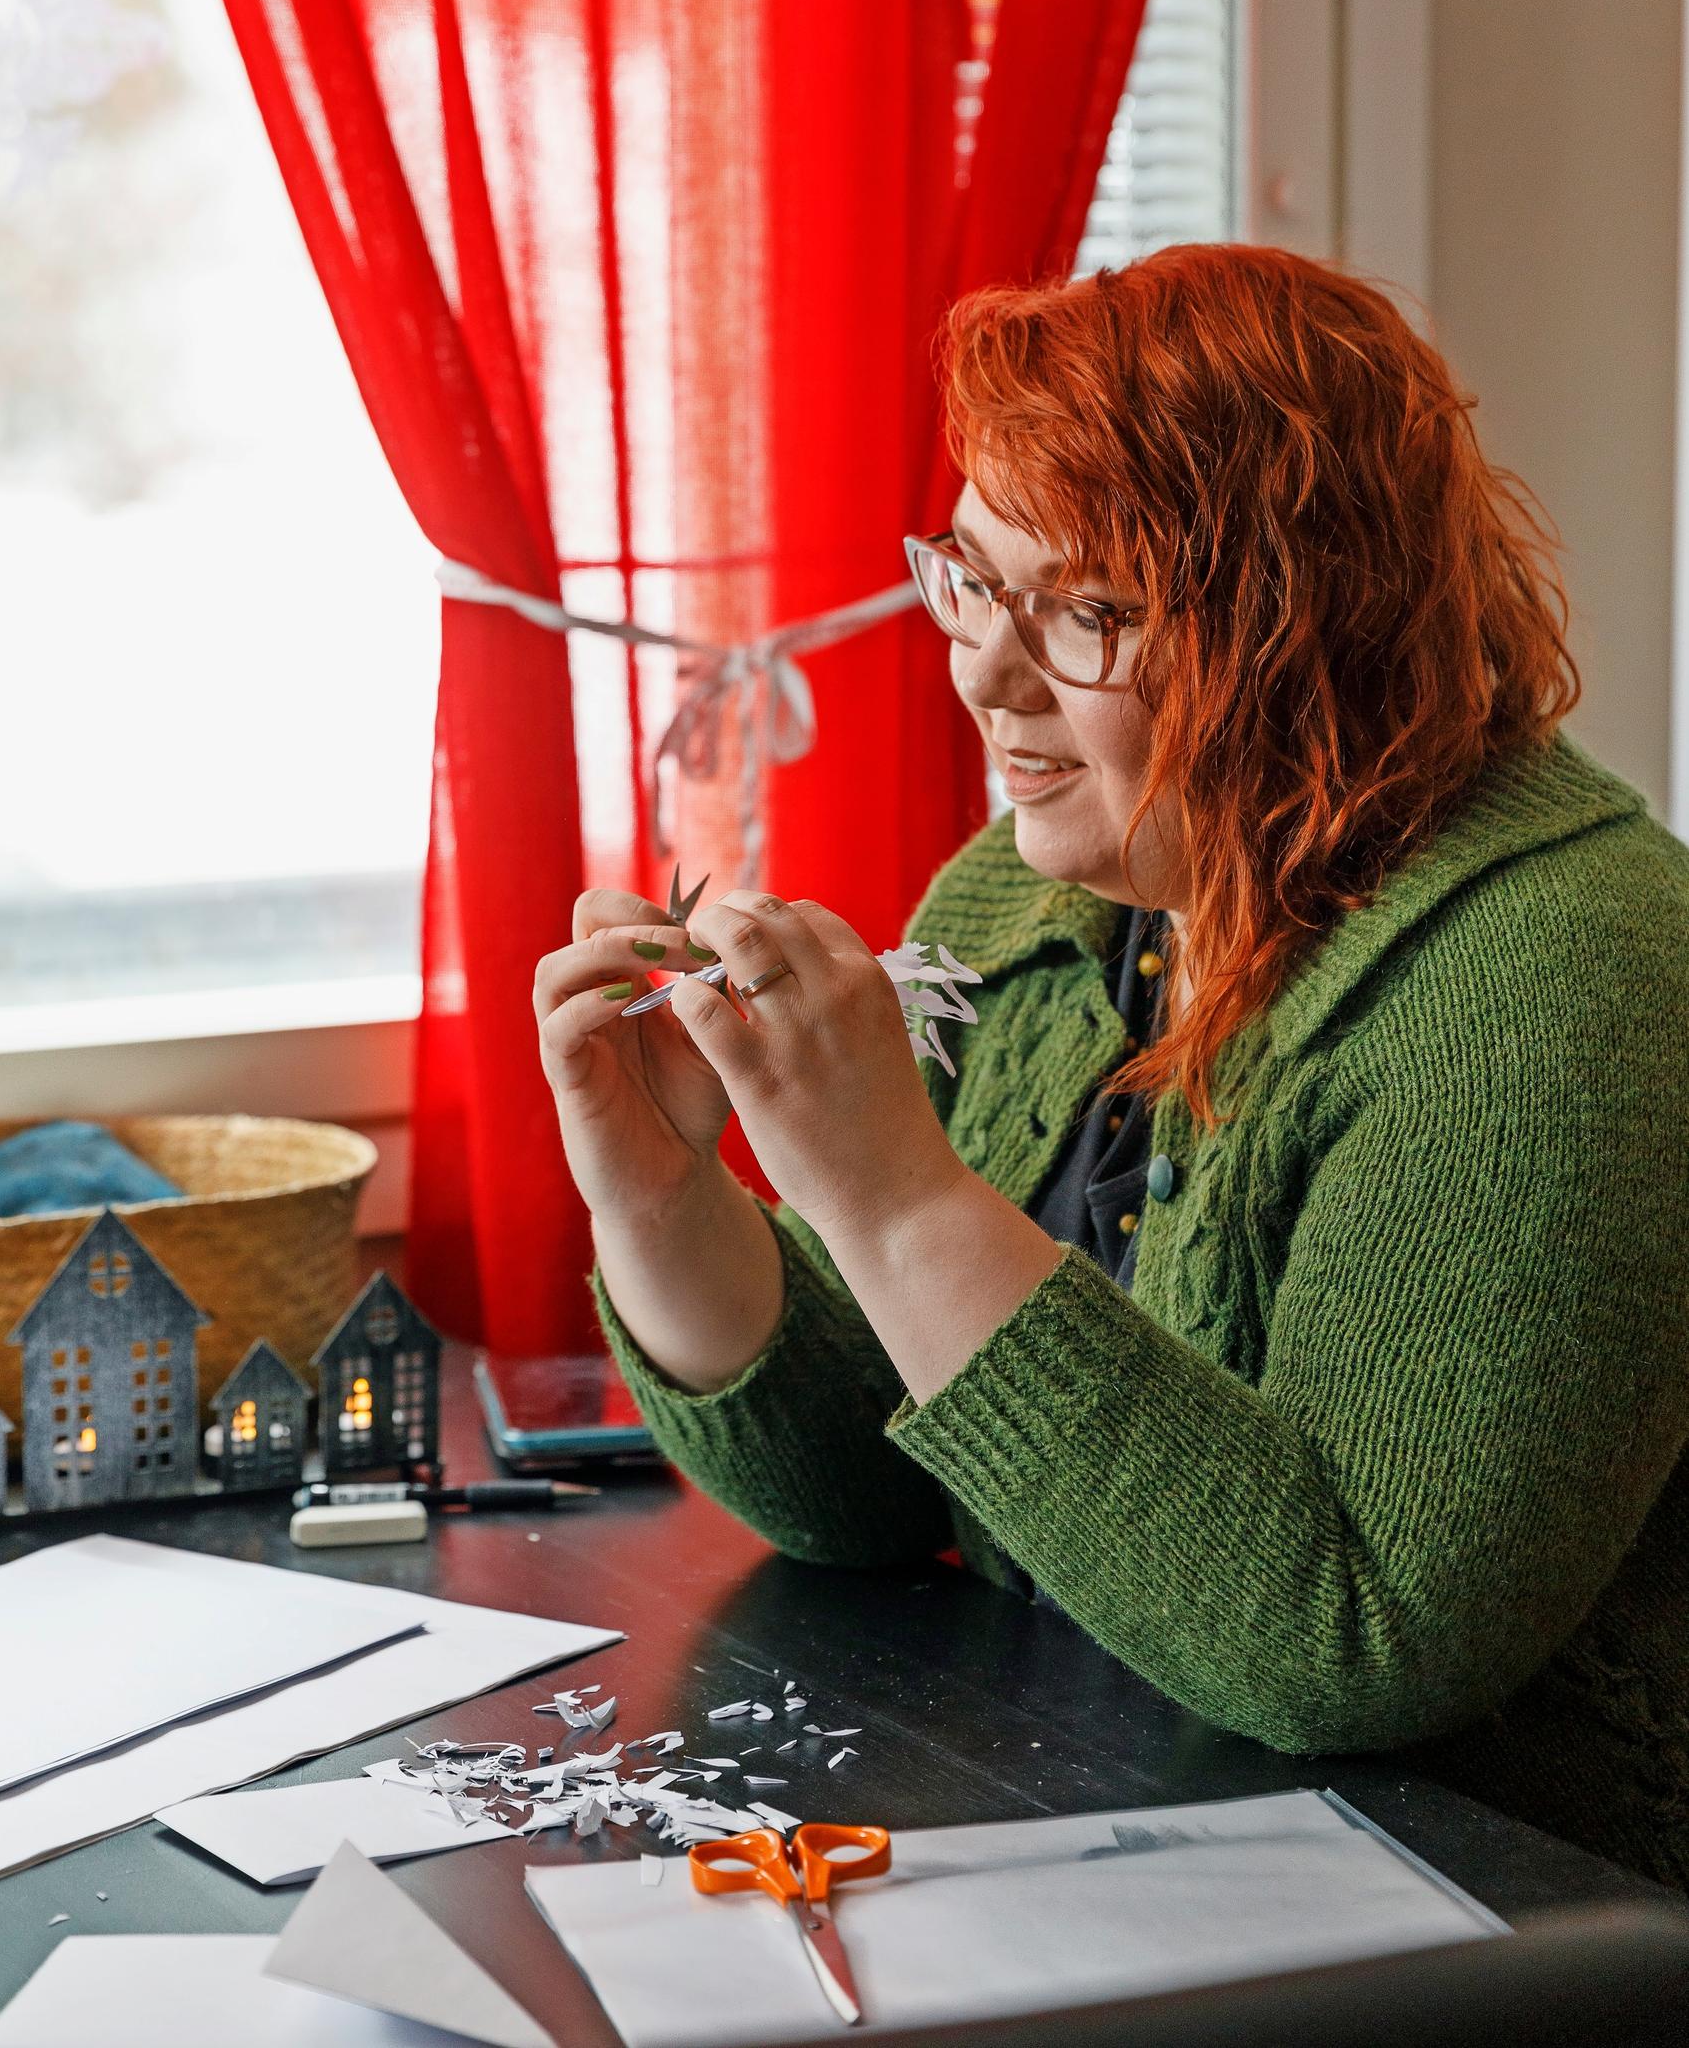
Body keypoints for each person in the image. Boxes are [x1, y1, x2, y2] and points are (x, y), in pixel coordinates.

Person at [533, 244, 1689, 1891]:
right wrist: (658, 1196)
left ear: (1310, 625)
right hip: (1105, 1817)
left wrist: (892, 1188)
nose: (983, 674)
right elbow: (861, 1479)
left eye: (1086, 609)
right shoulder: (1024, 898)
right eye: (975, 583)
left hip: (1511, 1906)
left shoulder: (1565, 974)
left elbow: (1354, 1639)